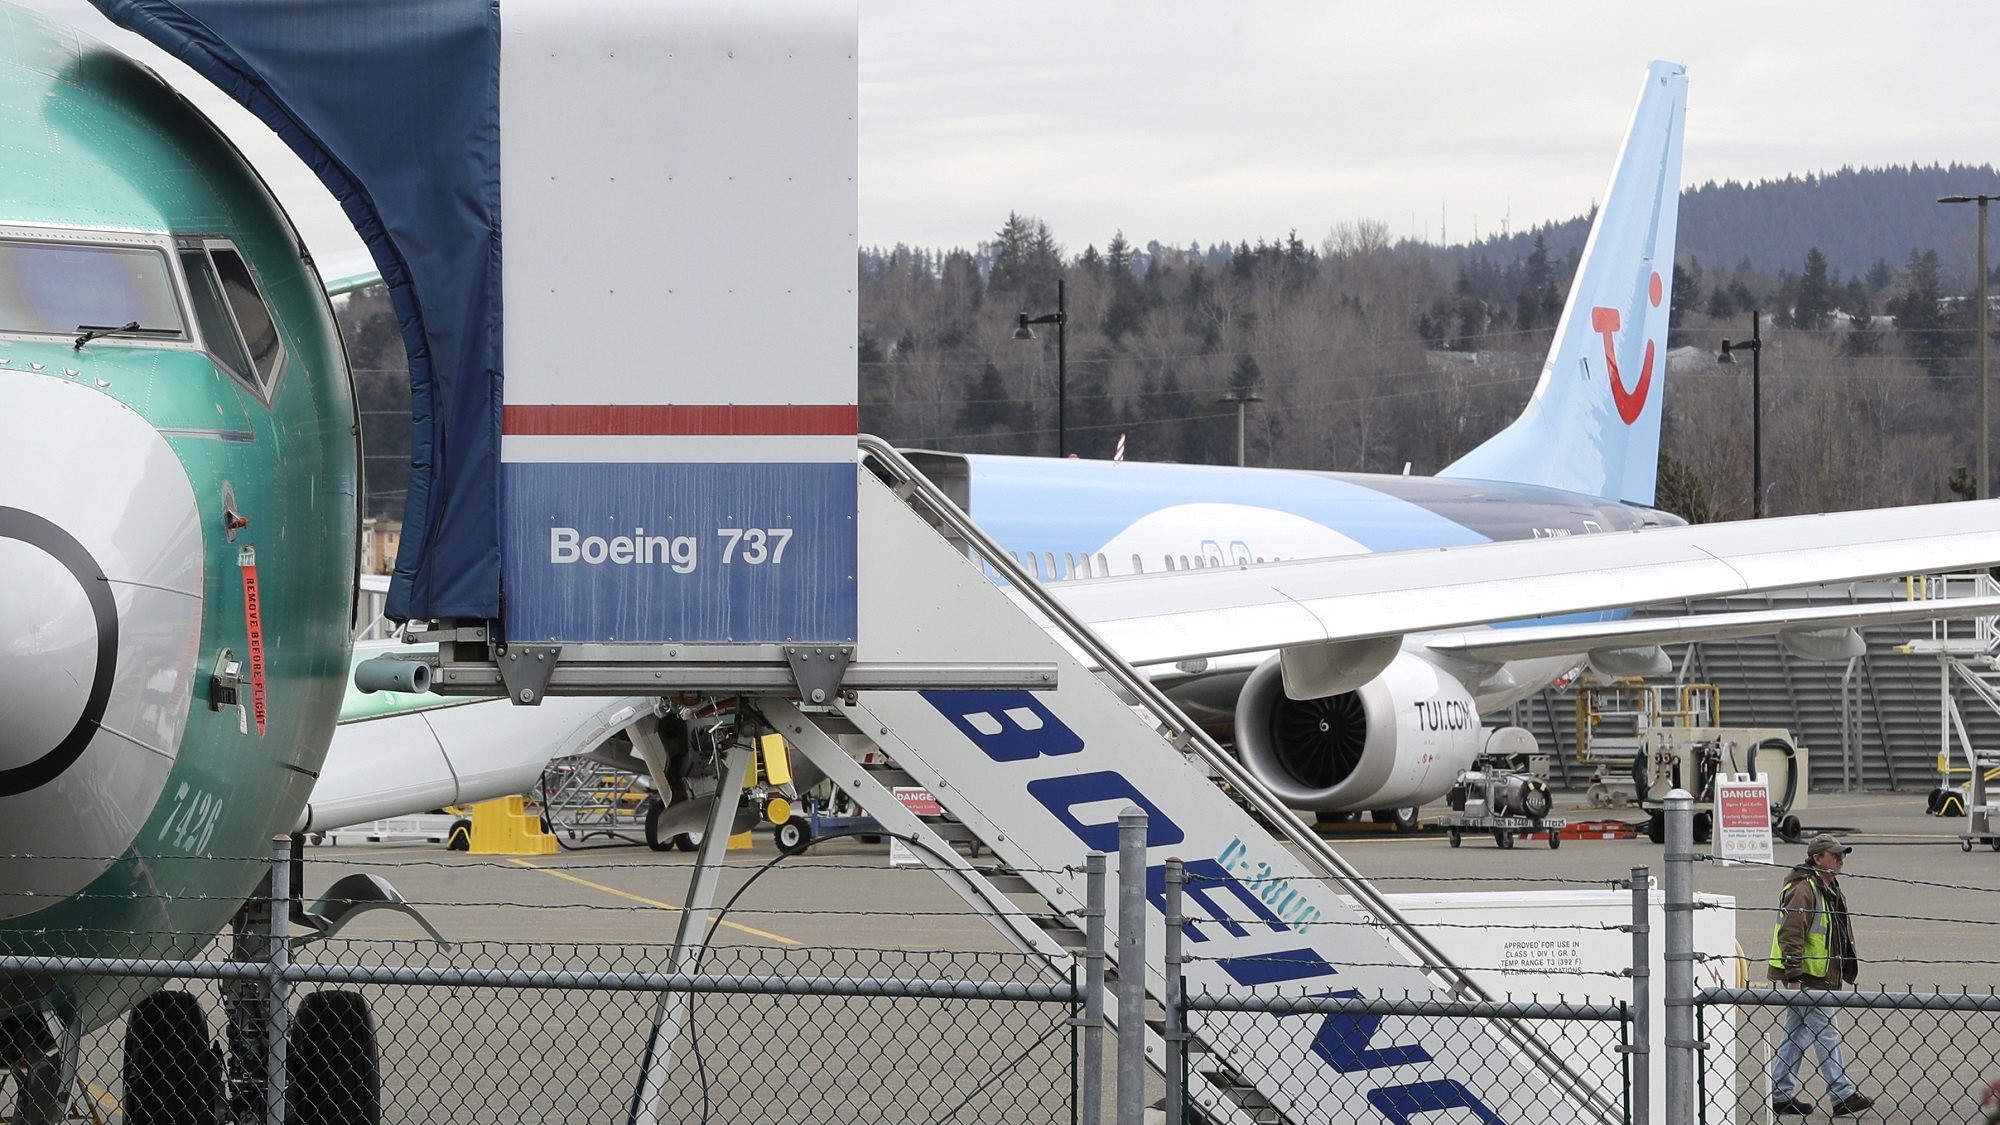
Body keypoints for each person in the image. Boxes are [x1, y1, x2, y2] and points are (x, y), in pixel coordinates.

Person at [1767, 834, 1874, 1117]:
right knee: (1826, 1032)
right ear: (1818, 858)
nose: (1841, 858)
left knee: (1796, 1033)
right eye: (1835, 854)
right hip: (1806, 977)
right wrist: (1793, 976)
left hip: (1816, 975)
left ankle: (1780, 1094)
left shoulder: (1829, 886)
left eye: (1842, 853)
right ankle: (1842, 1095)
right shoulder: (1804, 889)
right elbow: (1791, 933)